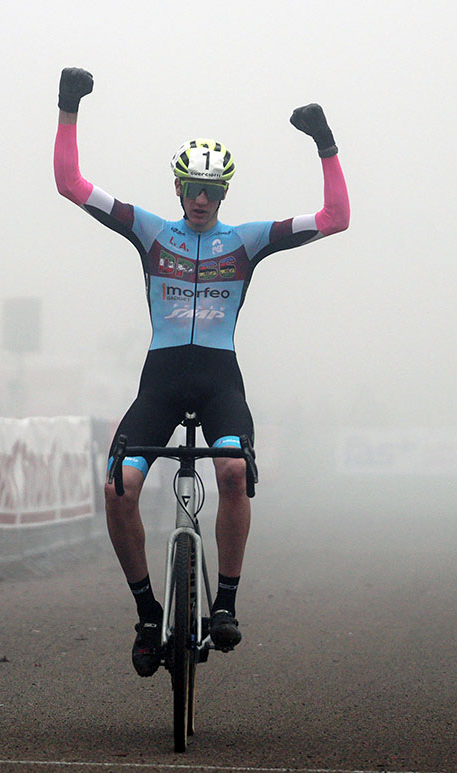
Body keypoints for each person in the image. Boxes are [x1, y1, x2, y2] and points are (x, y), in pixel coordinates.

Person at [53, 67, 349, 677]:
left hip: (219, 383)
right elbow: (70, 183)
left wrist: (325, 143)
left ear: (225, 193)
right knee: (117, 491)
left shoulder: (247, 240)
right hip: (159, 383)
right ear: (179, 186)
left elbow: (336, 216)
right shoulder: (148, 229)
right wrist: (68, 107)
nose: (201, 199)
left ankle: (226, 605)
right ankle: (145, 614)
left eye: (211, 190)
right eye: (192, 187)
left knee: (235, 472)